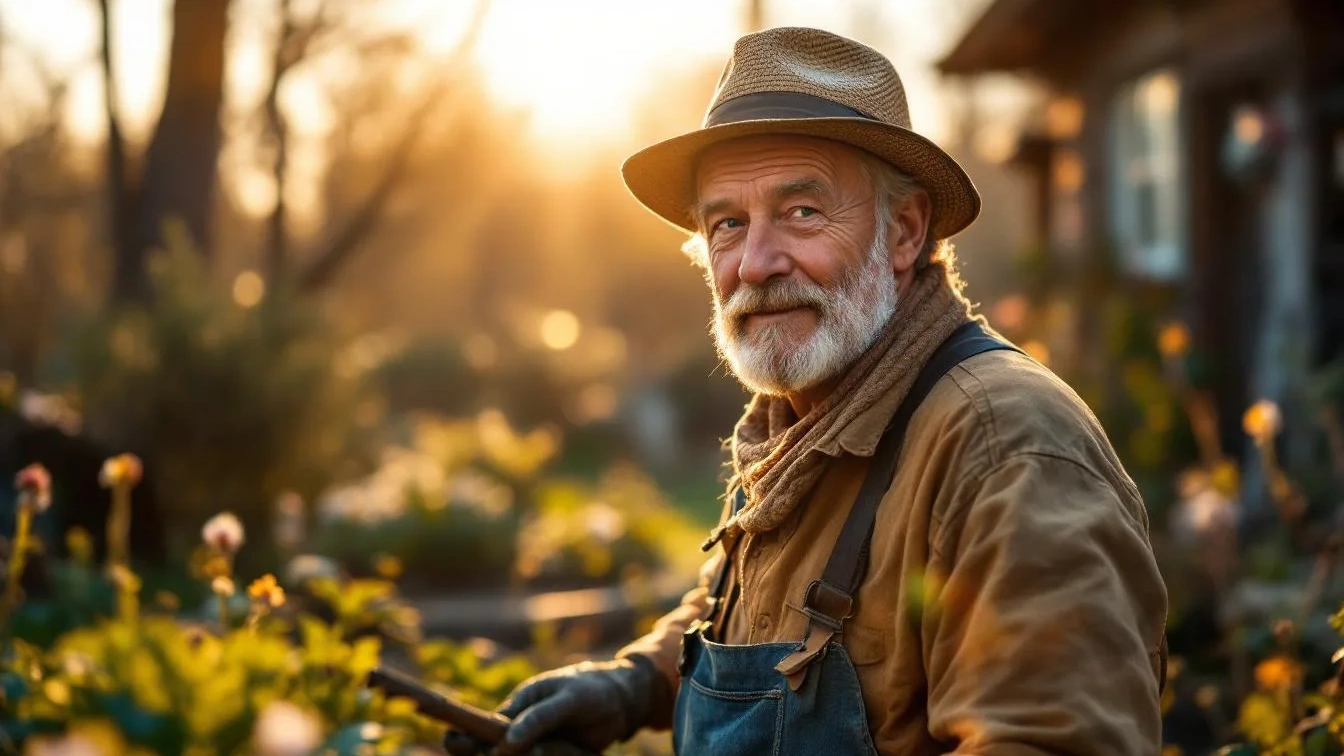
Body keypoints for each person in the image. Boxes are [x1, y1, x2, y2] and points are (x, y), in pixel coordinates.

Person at [444, 26, 1168, 756]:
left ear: (905, 232)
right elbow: (754, 607)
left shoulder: (1005, 445)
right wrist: (633, 685)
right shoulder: (803, 421)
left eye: (802, 212)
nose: (755, 264)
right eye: (728, 223)